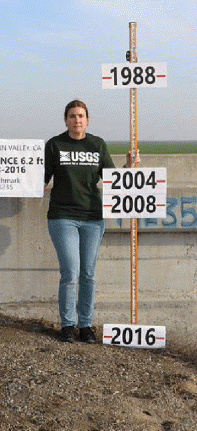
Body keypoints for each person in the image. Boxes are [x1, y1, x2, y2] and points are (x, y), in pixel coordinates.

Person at [44, 99, 136, 343]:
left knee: (88, 273)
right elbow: (39, 178)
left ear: (87, 119)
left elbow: (112, 178)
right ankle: (67, 325)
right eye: (72, 116)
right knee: (71, 271)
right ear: (66, 120)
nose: (77, 120)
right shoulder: (54, 145)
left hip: (93, 218)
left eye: (81, 116)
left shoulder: (97, 145)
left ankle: (85, 326)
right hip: (63, 217)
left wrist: (129, 165)